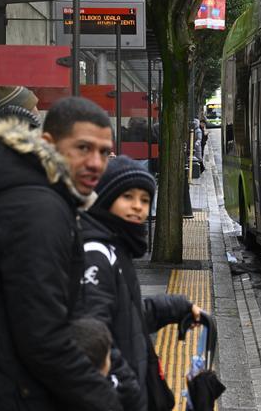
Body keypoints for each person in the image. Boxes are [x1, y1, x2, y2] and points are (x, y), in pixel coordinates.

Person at [0, 96, 120, 411]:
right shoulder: (40, 210)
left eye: (104, 152)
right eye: (83, 148)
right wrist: (106, 401)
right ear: (48, 143)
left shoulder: (25, 192)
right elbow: (42, 336)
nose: (96, 163)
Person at [78, 156, 202, 411]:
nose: (137, 207)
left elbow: (124, 317)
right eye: (127, 197)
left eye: (144, 200)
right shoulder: (97, 254)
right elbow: (94, 340)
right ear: (105, 199)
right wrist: (133, 394)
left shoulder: (116, 247)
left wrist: (173, 306)